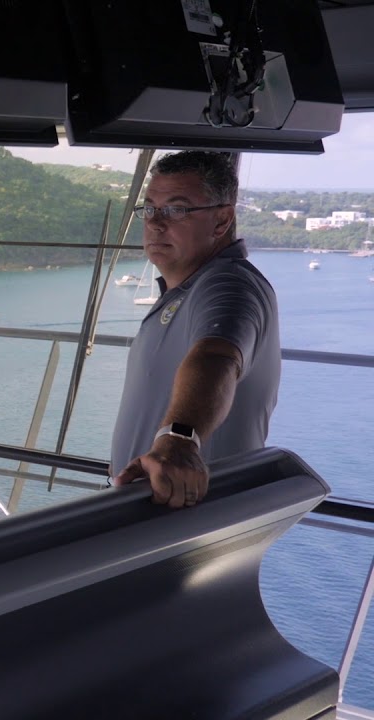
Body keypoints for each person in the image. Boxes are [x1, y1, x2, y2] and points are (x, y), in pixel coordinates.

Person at [110, 150, 281, 509]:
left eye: (176, 209)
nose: (155, 223)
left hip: (194, 519)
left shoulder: (229, 285)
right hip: (157, 514)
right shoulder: (184, 290)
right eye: (150, 208)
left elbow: (217, 356)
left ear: (221, 221)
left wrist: (179, 439)